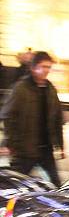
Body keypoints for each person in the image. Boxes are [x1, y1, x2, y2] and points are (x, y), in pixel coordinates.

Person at [3, 51, 64, 186]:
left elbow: (57, 118)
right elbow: (8, 116)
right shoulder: (21, 88)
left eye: (48, 67)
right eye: (43, 66)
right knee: (16, 185)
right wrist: (12, 143)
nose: (46, 70)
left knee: (56, 184)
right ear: (33, 67)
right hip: (25, 150)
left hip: (45, 149)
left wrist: (60, 145)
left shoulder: (50, 89)